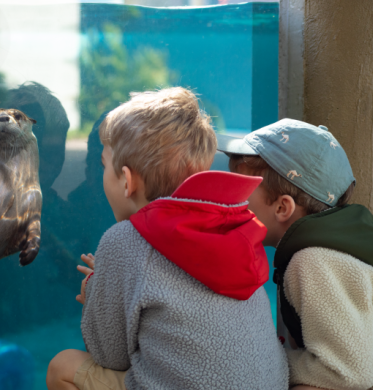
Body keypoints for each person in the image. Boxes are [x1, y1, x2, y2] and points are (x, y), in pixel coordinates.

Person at [46, 87, 288, 390]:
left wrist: (97, 291)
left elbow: (110, 356)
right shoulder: (233, 225)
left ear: (127, 181)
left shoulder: (123, 240)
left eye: (103, 165)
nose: (101, 173)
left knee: (63, 366)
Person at [217, 118, 373, 390]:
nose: (229, 198)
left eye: (241, 189)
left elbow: (349, 372)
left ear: (282, 208)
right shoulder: (326, 246)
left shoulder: (313, 260)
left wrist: (267, 362)